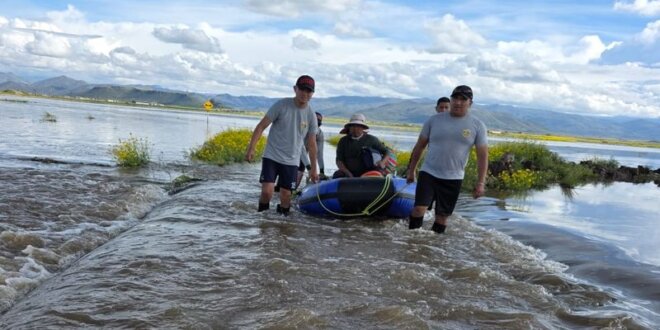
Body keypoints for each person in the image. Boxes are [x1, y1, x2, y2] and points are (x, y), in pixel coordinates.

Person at [406, 85, 488, 233]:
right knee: (419, 209)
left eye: (463, 99)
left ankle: (435, 247)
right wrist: (411, 170)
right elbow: (419, 147)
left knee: (442, 217)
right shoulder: (434, 120)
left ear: (470, 103)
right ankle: (411, 242)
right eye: (455, 98)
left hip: (453, 177)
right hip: (429, 172)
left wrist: (480, 183)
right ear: (451, 100)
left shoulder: (477, 125)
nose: (458, 102)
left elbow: (483, 156)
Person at [245, 75, 319, 216]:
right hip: (272, 155)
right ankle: (262, 220)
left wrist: (313, 169)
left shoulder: (311, 115)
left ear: (312, 94)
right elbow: (261, 126)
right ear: (295, 89)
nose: (305, 93)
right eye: (302, 89)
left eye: (309, 91)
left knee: (286, 195)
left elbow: (312, 143)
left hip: (291, 160)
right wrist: (251, 148)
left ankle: (283, 226)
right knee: (267, 192)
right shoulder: (281, 105)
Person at [333, 113, 391, 178]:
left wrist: (382, 162)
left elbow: (387, 151)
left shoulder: (372, 140)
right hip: (348, 172)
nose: (355, 129)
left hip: (368, 172)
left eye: (358, 126)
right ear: (349, 128)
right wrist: (349, 174)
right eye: (353, 126)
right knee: (337, 175)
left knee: (379, 174)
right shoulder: (343, 141)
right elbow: (339, 161)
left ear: (363, 128)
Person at [296, 111, 326, 188]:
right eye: (315, 119)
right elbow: (300, 148)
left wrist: (322, 171)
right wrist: (310, 168)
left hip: (303, 156)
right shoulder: (302, 128)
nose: (317, 121)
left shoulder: (320, 134)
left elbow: (319, 154)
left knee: (295, 183)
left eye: (319, 120)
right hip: (292, 153)